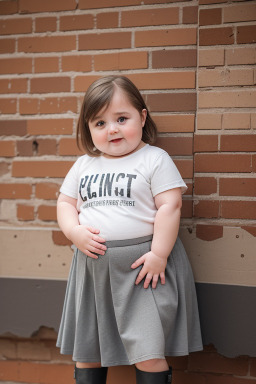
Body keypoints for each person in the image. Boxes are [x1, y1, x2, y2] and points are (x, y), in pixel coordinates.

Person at [56, 75, 202, 384]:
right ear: (88, 129)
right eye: (99, 123)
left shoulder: (153, 159)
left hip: (143, 271)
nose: (112, 129)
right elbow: (65, 203)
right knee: (88, 351)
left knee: (148, 353)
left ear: (142, 116)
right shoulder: (84, 165)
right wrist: (74, 232)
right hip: (93, 272)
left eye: (122, 118)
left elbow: (170, 206)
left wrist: (159, 254)